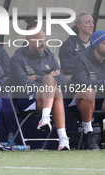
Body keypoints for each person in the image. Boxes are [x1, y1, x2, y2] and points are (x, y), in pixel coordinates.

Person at [10, 18, 70, 150]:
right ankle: (62, 137)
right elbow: (22, 83)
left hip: (46, 99)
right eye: (39, 41)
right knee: (50, 81)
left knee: (56, 89)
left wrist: (38, 77)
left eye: (44, 40)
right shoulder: (17, 58)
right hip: (26, 100)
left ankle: (61, 137)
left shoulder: (49, 55)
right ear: (29, 40)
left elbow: (60, 79)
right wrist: (46, 85)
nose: (43, 44)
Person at [70, 30, 105, 150]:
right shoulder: (81, 59)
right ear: (96, 45)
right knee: (89, 91)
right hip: (79, 100)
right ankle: (88, 132)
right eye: (104, 43)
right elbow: (81, 82)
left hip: (100, 99)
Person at [59, 12, 94, 83]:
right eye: (87, 22)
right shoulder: (68, 45)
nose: (91, 25)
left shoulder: (95, 44)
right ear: (78, 25)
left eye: (92, 22)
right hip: (75, 81)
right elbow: (68, 70)